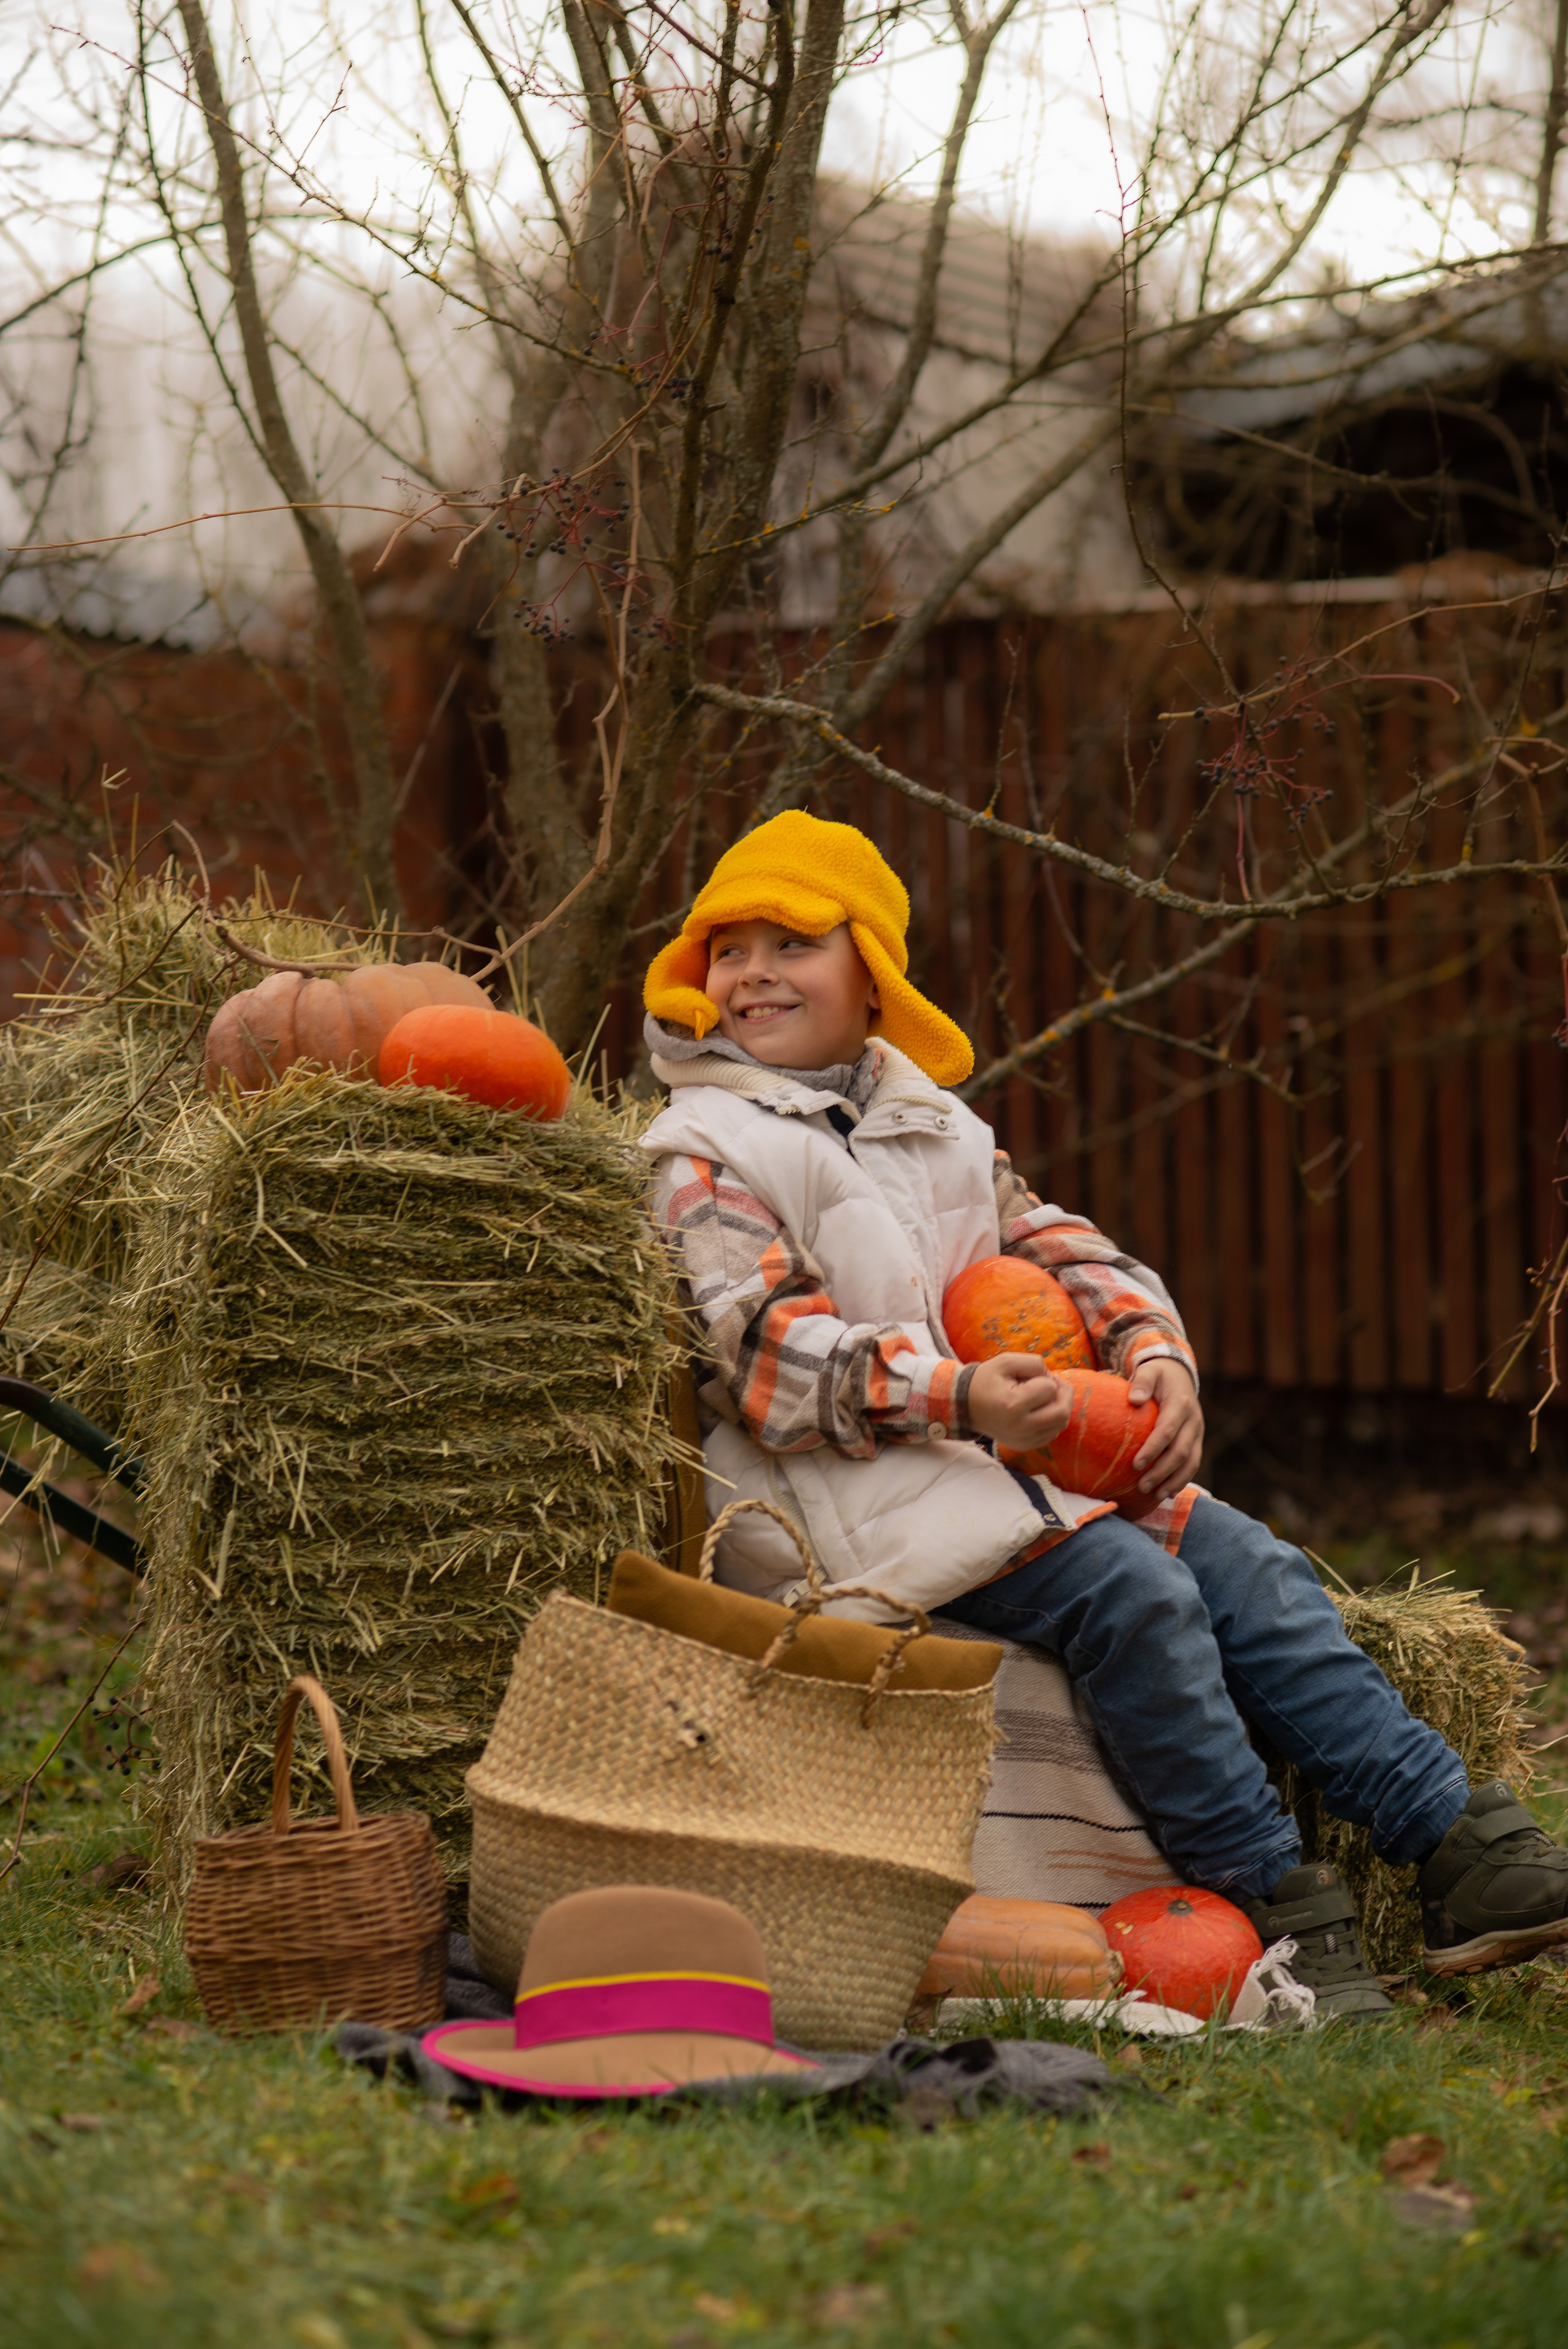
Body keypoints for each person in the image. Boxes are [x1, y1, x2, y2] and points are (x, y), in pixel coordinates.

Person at [640, 809, 1568, 2017]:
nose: (752, 972)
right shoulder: (703, 1146)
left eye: (792, 942)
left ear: (869, 975)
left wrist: (1152, 1357)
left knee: (1248, 1560)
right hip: (841, 1517)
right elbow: (755, 1351)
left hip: (995, 1477)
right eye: (728, 948)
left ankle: (1459, 1847)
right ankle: (1275, 1907)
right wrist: (955, 1393)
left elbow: (1060, 1251)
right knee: (1134, 1594)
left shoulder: (935, 1128)